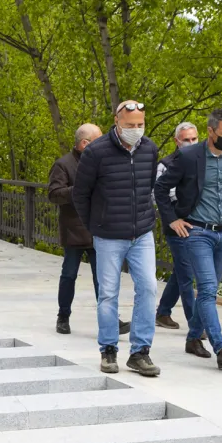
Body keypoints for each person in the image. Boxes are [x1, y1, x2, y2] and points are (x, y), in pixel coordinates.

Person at [72, 100, 160, 377]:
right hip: (108, 235)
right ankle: (108, 350)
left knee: (148, 289)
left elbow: (148, 188)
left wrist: (146, 218)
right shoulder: (96, 152)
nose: (136, 130)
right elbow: (80, 194)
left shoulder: (149, 149)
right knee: (108, 294)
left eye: (140, 124)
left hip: (142, 233)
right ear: (117, 121)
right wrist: (95, 225)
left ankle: (140, 352)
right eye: (130, 125)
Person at [154, 107, 222, 368]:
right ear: (211, 131)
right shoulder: (189, 155)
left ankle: (193, 338)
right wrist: (172, 219)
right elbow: (161, 188)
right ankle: (221, 346)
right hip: (197, 232)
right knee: (206, 290)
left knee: (210, 289)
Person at [47, 124, 132, 336]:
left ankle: (110, 319)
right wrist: (80, 190)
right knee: (69, 275)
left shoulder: (101, 162)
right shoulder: (63, 164)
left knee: (104, 278)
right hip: (74, 230)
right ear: (85, 144)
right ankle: (63, 316)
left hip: (100, 229)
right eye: (99, 140)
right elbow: (54, 194)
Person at [154, 122, 201, 331]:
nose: (191, 143)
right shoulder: (166, 164)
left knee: (182, 271)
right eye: (186, 140)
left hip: (199, 224)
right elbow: (159, 195)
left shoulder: (204, 159)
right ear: (177, 141)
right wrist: (174, 220)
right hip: (176, 225)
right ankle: (195, 324)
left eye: (194, 139)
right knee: (186, 274)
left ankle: (163, 312)